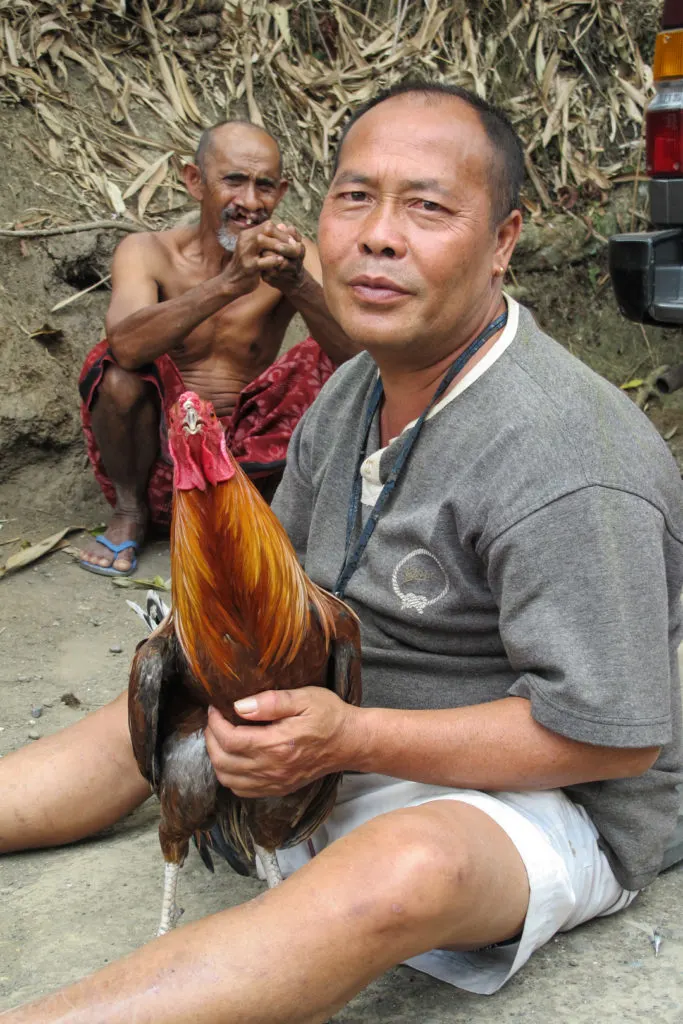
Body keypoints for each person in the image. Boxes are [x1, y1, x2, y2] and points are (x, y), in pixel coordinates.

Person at [2, 82, 683, 1023]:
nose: (377, 235)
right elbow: (283, 608)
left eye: (428, 207)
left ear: (503, 244)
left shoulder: (571, 458)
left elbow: (614, 738)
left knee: (406, 872)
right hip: (345, 723)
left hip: (538, 800)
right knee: (155, 700)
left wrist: (350, 738)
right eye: (354, 197)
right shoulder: (351, 391)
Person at [77, 119, 356, 576]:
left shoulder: (293, 254)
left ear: (281, 192)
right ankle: (130, 513)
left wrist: (299, 284)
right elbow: (124, 346)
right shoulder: (147, 252)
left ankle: (280, 523)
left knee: (329, 361)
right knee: (115, 369)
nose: (250, 202)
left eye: (264, 186)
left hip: (255, 471)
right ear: (194, 181)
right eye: (233, 181)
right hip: (166, 464)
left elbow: (358, 359)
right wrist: (228, 284)